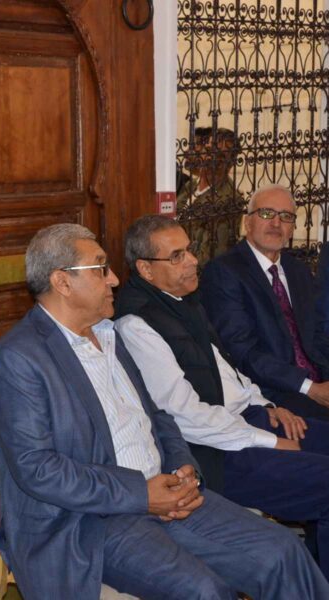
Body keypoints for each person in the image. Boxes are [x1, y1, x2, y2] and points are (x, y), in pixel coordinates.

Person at [0, 222, 329, 600]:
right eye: (100, 269)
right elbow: (38, 469)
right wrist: (141, 495)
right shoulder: (20, 358)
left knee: (283, 552)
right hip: (92, 520)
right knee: (204, 590)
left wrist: (182, 468)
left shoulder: (108, 335)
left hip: (164, 492)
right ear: (62, 282)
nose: (115, 279)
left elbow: (158, 415)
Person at [115, 214, 329, 578]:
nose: (193, 260)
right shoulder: (138, 325)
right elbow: (184, 416)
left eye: (190, 250)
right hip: (216, 454)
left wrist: (267, 405)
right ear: (145, 269)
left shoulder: (181, 302)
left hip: (247, 421)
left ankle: (313, 570)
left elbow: (227, 370)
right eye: (177, 256)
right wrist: (268, 441)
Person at [200, 184, 329, 420]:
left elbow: (318, 333)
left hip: (316, 383)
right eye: (267, 213)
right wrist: (310, 388)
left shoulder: (298, 271)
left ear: (293, 227)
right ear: (247, 222)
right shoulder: (224, 272)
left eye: (286, 216)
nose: (276, 223)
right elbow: (242, 351)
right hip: (271, 393)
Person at [177, 127, 245, 264]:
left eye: (221, 155)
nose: (211, 157)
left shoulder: (229, 199)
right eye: (208, 150)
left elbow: (212, 255)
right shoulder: (190, 186)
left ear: (231, 163)